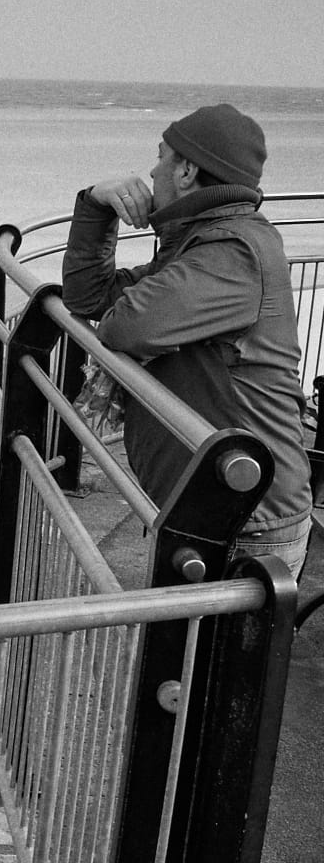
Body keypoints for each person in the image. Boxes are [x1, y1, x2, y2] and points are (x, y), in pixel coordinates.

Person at [62, 103, 312, 578]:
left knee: (197, 653)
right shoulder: (199, 244)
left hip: (245, 518)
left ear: (186, 170)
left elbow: (126, 326)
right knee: (179, 652)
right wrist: (96, 204)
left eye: (160, 157)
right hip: (214, 507)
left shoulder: (234, 251)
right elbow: (89, 296)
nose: (151, 170)